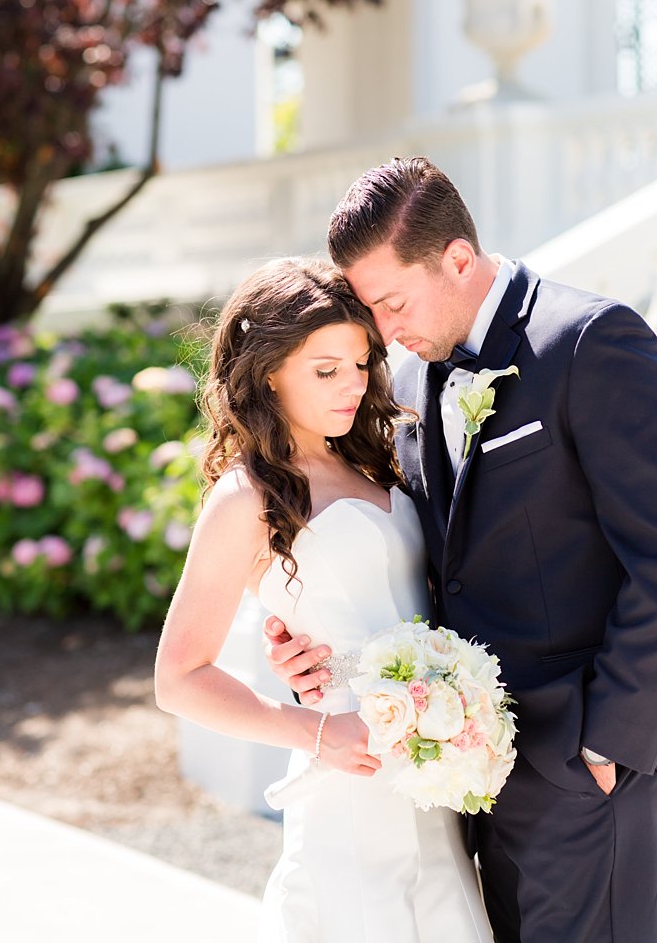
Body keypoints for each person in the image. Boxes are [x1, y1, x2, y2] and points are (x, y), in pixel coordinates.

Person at [263, 156, 657, 943]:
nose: (383, 331)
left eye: (392, 302)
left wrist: (608, 738)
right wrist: (321, 650)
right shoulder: (416, 375)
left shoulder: (591, 341)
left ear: (459, 260)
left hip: (584, 758)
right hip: (473, 767)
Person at [153, 258, 493, 941]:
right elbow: (179, 678)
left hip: (432, 775)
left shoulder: (377, 459)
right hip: (348, 778)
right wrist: (316, 732)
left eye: (361, 363)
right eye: (325, 369)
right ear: (271, 370)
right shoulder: (248, 497)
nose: (353, 385)